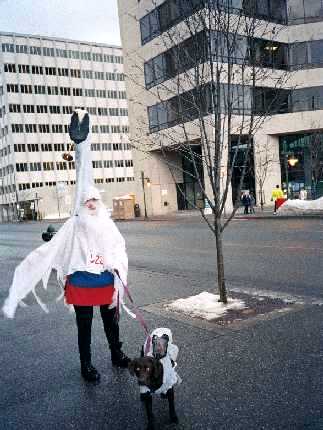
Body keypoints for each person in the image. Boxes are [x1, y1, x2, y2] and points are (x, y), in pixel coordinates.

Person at [2, 109, 130, 383]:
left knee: (112, 322)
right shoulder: (77, 221)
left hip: (105, 280)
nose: (91, 203)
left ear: (101, 203)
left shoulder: (106, 223)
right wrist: (81, 145)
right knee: (84, 326)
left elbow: (119, 248)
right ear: (82, 204)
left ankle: (116, 355)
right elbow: (84, 179)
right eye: (87, 201)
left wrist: (118, 269)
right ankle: (86, 365)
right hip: (82, 281)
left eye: (95, 200)